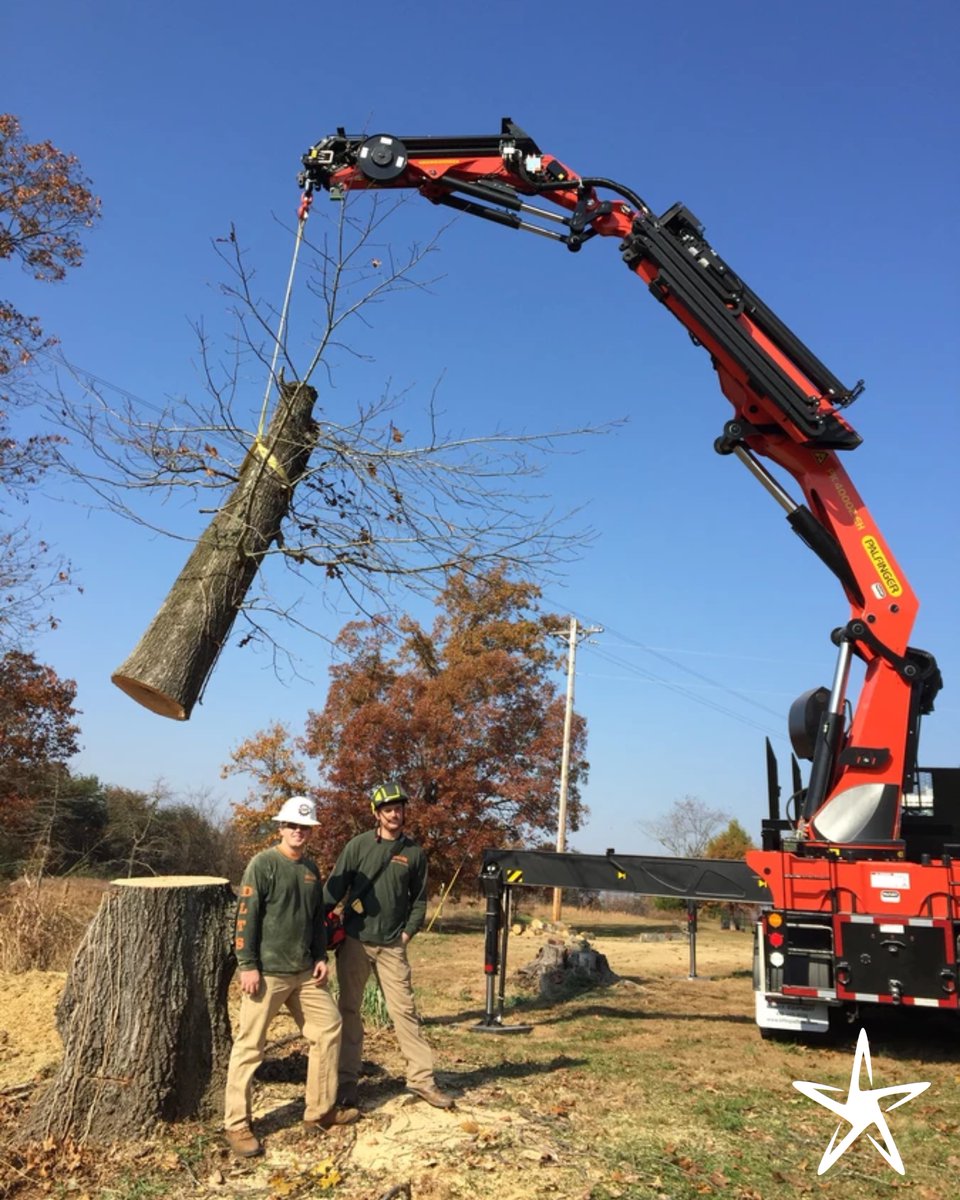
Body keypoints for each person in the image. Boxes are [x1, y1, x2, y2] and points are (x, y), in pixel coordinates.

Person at [223, 795, 359, 1158]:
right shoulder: (263, 864)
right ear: (281, 828)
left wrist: (319, 956)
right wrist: (246, 963)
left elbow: (316, 920)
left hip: (304, 972)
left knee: (329, 1027)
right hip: (266, 973)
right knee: (250, 1046)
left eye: (305, 827)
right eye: (292, 826)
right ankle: (237, 1124)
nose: (298, 832)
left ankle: (319, 1112)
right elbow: (245, 916)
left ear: (310, 832)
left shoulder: (311, 869)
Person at [324, 781, 455, 1110]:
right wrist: (316, 920)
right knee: (349, 1010)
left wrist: (407, 934)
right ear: (377, 814)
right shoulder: (357, 846)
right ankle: (346, 1082)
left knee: (405, 1011)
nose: (394, 814)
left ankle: (422, 1080)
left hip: (392, 945)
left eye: (399, 808)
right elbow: (334, 888)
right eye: (388, 809)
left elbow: (419, 901)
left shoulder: (413, 853)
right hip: (354, 942)